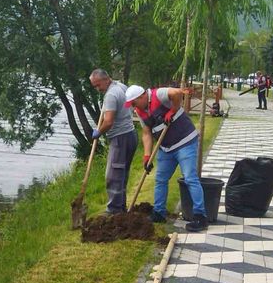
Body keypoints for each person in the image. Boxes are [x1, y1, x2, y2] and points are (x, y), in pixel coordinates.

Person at [124, 85, 208, 232]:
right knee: (160, 179)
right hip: (166, 148)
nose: (132, 106)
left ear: (142, 97)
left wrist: (172, 110)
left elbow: (177, 93)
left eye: (133, 103)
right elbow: (146, 133)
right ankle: (159, 213)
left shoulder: (158, 95)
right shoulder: (140, 111)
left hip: (185, 142)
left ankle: (200, 216)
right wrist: (147, 156)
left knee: (189, 178)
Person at [89, 69, 138, 214]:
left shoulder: (110, 95)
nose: (98, 89)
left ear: (106, 79)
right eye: (95, 86)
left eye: (98, 85)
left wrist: (99, 132)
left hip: (120, 138)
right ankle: (120, 206)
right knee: (122, 173)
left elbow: (109, 122)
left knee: (113, 175)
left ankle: (114, 209)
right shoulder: (121, 87)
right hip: (131, 135)